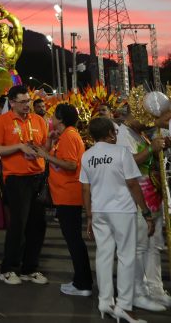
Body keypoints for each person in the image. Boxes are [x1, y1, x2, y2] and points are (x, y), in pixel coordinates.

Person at [81, 117, 155, 323]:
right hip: (122, 210)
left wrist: (88, 216)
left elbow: (85, 189)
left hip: (99, 211)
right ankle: (124, 305)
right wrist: (146, 212)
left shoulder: (87, 156)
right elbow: (132, 184)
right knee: (126, 257)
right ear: (110, 134)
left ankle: (105, 301)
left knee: (103, 255)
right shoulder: (121, 152)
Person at [115, 90, 171, 312]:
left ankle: (155, 289)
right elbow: (125, 166)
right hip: (136, 202)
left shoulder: (142, 133)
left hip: (152, 201)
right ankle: (136, 293)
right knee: (138, 248)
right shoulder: (122, 134)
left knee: (153, 247)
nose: (166, 122)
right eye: (164, 117)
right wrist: (151, 149)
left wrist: (160, 146)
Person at [0, 85, 48, 285]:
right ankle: (8, 268)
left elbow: (44, 147)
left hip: (38, 177)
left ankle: (30, 268)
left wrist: (49, 144)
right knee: (18, 224)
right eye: (23, 102)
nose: (27, 105)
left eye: (29, 101)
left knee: (38, 225)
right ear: (12, 102)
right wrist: (19, 146)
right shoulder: (1, 122)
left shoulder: (39, 120)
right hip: (16, 178)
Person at [34, 103, 92, 297]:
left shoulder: (69, 136)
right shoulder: (65, 135)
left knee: (74, 240)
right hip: (65, 195)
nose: (50, 119)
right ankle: (81, 281)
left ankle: (82, 283)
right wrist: (49, 144)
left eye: (53, 116)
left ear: (60, 119)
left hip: (69, 195)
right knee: (73, 239)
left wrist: (44, 156)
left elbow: (70, 164)